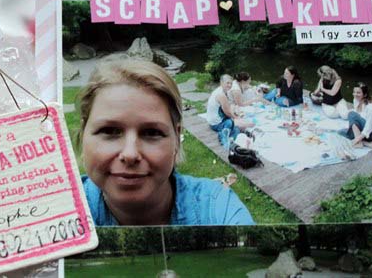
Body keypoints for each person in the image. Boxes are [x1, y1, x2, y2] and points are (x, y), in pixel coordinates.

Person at [77, 60, 254, 226]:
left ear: (176, 139)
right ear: (83, 133)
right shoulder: (61, 211)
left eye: (151, 133)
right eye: (109, 131)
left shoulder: (218, 208)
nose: (130, 154)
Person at [206, 75, 254, 146]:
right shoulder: (221, 95)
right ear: (221, 82)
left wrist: (235, 114)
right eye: (227, 83)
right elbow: (228, 113)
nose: (229, 85)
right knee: (237, 127)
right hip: (216, 123)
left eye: (231, 83)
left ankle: (231, 133)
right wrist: (238, 119)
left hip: (215, 120)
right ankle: (223, 137)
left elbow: (228, 107)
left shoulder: (221, 90)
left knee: (239, 125)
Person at [340, 83, 372, 148]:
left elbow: (369, 127)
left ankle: (359, 143)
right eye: (354, 92)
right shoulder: (356, 100)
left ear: (365, 95)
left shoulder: (371, 108)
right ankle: (365, 143)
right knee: (341, 132)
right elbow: (357, 121)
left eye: (358, 93)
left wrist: (356, 140)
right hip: (365, 130)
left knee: (351, 114)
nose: (355, 94)